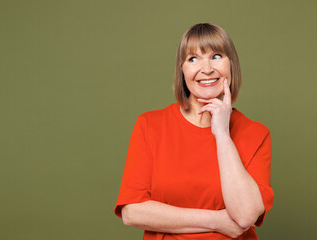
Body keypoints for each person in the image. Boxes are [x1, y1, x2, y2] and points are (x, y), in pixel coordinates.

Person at [114, 23, 274, 240]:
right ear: (182, 70)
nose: (206, 69)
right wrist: (217, 221)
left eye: (216, 56)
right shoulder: (149, 125)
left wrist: (222, 134)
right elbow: (132, 212)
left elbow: (245, 217)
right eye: (193, 59)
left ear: (231, 65)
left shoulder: (256, 134)